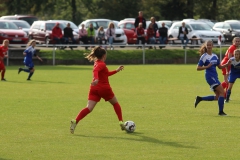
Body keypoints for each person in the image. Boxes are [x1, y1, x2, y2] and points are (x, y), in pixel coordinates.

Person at [70, 46, 125, 134]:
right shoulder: (101, 64)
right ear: (104, 55)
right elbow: (95, 71)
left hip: (94, 89)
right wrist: (96, 79)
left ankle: (75, 121)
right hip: (104, 88)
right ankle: (121, 122)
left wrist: (116, 70)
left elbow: (105, 74)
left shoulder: (96, 62)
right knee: (115, 103)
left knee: (89, 108)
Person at [194, 40, 228, 116]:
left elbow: (220, 67)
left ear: (212, 46)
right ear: (206, 46)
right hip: (210, 76)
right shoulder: (204, 56)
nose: (209, 46)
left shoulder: (215, 56)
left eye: (210, 45)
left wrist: (227, 64)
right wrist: (207, 66)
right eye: (208, 45)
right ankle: (221, 112)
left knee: (217, 96)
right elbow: (198, 68)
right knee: (222, 92)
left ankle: (200, 98)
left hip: (215, 76)